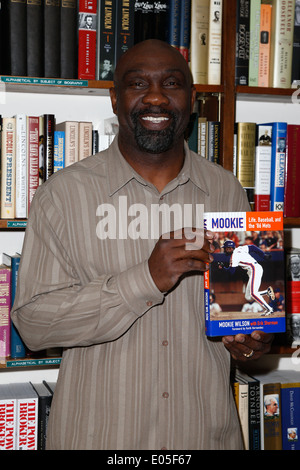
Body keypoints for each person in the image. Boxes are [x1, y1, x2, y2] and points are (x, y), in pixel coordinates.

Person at [11, 39, 273, 450]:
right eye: (137, 84)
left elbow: (241, 316)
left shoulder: (226, 190)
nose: (155, 96)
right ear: (115, 99)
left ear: (192, 99)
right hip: (99, 439)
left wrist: (249, 341)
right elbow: (34, 324)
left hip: (205, 435)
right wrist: (145, 279)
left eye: (171, 83)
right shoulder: (61, 195)